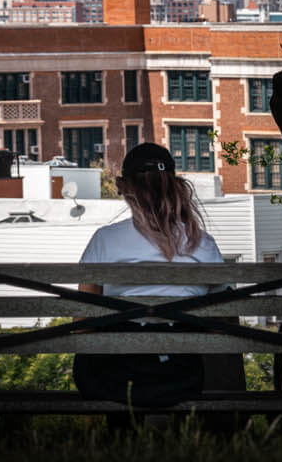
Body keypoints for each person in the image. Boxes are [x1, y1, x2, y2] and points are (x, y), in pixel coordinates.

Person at [72, 142, 222, 409]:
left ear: (123, 186)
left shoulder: (105, 240)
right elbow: (221, 320)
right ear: (174, 184)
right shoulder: (204, 243)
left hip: (114, 378)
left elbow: (83, 322)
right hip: (182, 376)